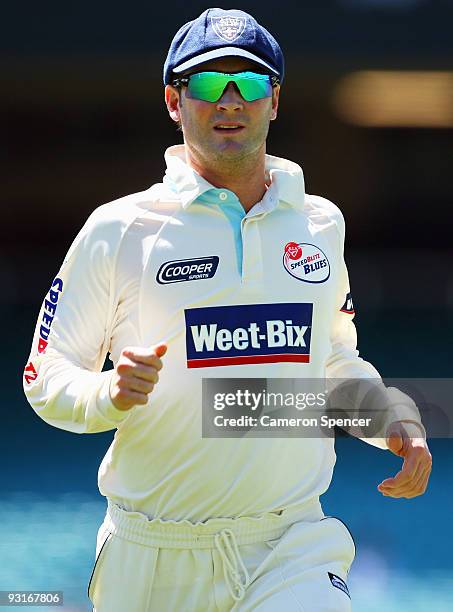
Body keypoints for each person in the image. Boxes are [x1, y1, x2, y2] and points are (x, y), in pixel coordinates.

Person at [23, 8, 432, 612]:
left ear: (275, 102)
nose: (231, 101)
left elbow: (332, 364)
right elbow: (45, 376)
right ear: (174, 100)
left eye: (252, 83)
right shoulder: (120, 228)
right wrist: (110, 394)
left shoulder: (321, 224)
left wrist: (391, 419)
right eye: (210, 84)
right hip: (151, 554)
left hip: (289, 542)